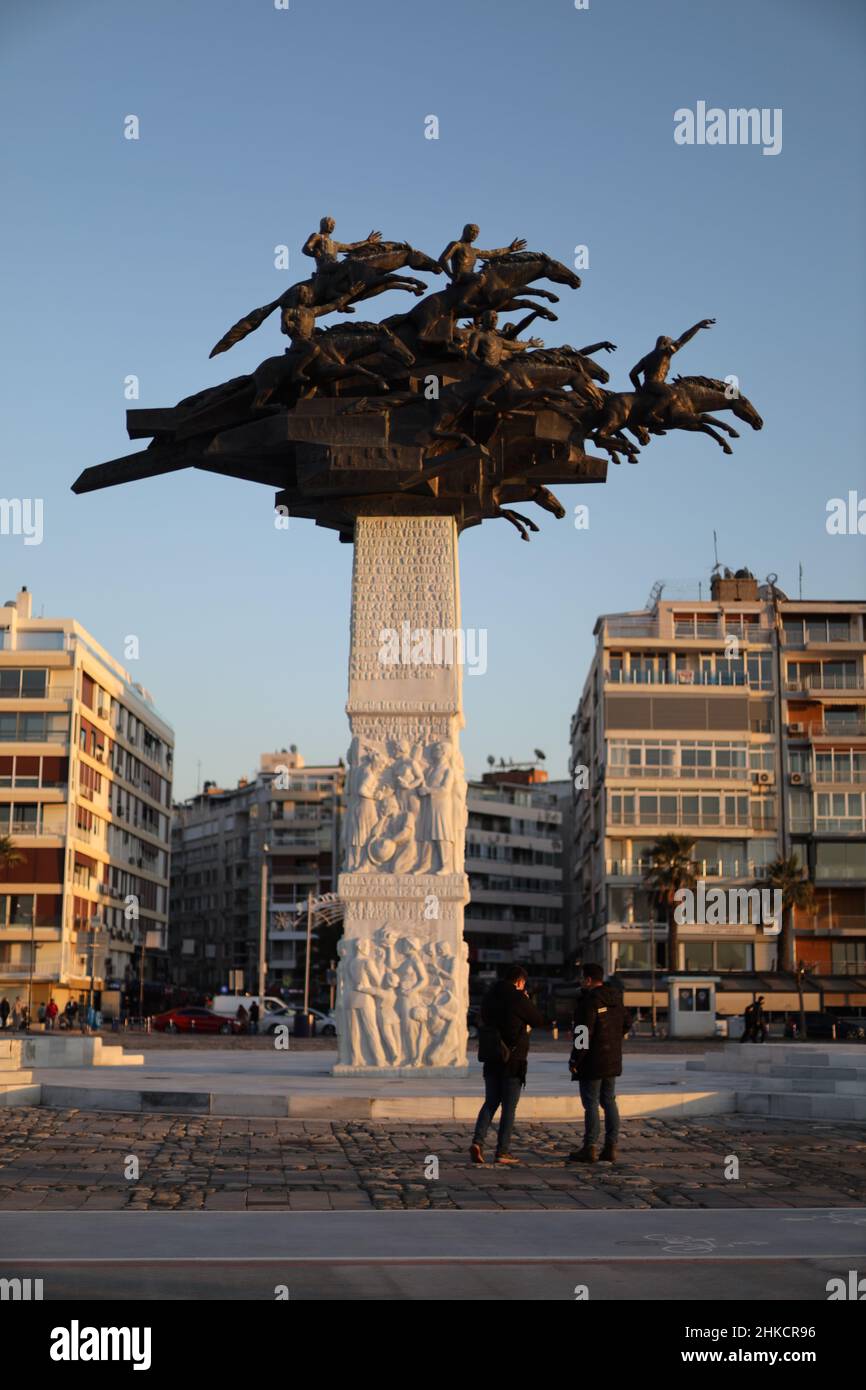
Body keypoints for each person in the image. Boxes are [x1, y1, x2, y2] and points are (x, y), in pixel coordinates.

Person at [470, 964, 549, 1167]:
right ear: (520, 981)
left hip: (491, 1056)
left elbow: (484, 1019)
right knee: (509, 1108)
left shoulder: (489, 996)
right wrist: (526, 1000)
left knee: (490, 1102)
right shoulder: (518, 998)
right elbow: (538, 1020)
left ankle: (478, 1142)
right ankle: (502, 1151)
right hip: (513, 1060)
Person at [568, 963, 630, 1164]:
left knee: (591, 1103)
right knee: (609, 1101)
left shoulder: (588, 1001)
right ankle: (611, 1147)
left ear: (588, 979)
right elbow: (627, 1022)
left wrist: (575, 1059)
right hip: (612, 1059)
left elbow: (582, 1034)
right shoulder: (616, 998)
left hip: (592, 1061)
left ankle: (590, 1147)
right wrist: (613, 1039)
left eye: (581, 978)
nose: (580, 981)